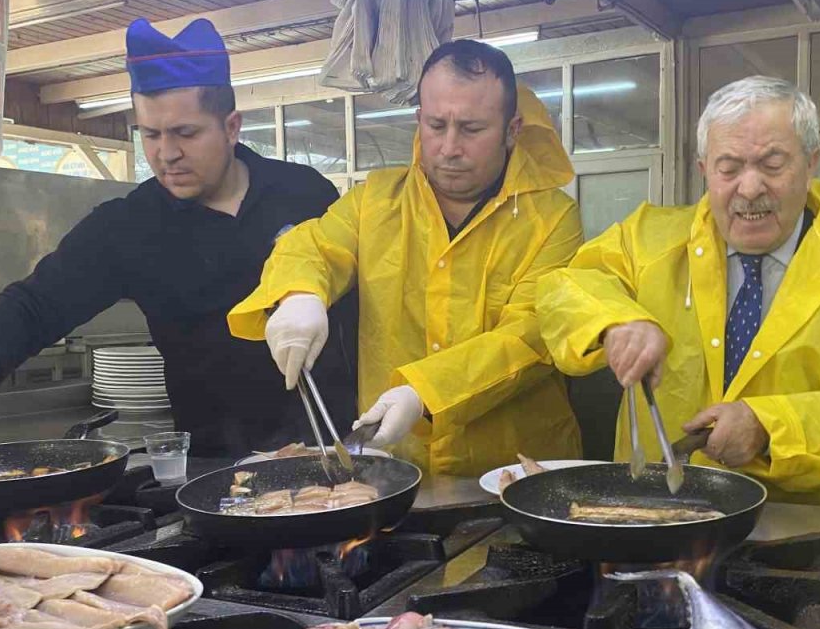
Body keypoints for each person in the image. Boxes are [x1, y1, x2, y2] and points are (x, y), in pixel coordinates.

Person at [0, 18, 357, 457]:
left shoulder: (303, 192)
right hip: (216, 466)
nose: (166, 154)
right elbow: (38, 301)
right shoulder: (130, 226)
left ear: (231, 127)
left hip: (338, 441)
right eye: (150, 134)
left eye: (185, 133)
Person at [536, 76, 820, 508]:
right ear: (705, 170)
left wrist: (772, 427)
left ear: (811, 163)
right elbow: (566, 286)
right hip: (651, 513)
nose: (751, 188)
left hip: (801, 527)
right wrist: (615, 320)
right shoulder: (648, 243)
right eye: (729, 168)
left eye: (773, 165)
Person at [229, 39, 582, 476]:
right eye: (436, 125)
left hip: (515, 470)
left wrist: (423, 393)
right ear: (419, 119)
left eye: (472, 129)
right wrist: (299, 295)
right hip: (397, 468)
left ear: (512, 130)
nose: (449, 147)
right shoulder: (375, 201)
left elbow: (530, 334)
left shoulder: (552, 219)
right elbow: (314, 245)